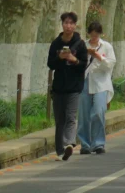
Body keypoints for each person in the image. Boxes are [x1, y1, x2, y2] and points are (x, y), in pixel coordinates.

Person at [47, 11, 89, 160]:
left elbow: (84, 65)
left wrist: (74, 59)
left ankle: (69, 143)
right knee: (60, 120)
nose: (68, 26)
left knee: (71, 116)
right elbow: (50, 64)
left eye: (71, 23)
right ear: (62, 24)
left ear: (75, 25)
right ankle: (60, 150)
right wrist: (59, 57)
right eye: (66, 23)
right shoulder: (56, 43)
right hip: (58, 87)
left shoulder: (80, 44)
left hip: (74, 87)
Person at [78, 19, 115, 155]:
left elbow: (110, 64)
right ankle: (85, 144)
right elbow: (78, 63)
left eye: (96, 35)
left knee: (99, 112)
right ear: (88, 33)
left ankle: (98, 143)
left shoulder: (106, 47)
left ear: (100, 34)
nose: (94, 37)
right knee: (84, 114)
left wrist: (99, 57)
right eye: (92, 34)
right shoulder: (83, 45)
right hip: (85, 82)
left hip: (101, 82)